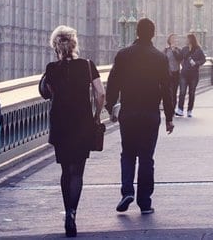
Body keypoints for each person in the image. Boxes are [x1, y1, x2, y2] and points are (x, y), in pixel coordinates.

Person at [106, 18, 176, 216]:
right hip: (150, 114)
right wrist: (169, 117)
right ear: (153, 34)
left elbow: (113, 82)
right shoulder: (159, 58)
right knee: (146, 158)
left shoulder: (123, 54)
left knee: (127, 153)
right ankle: (144, 202)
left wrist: (110, 106)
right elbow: (166, 89)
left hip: (128, 113)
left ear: (136, 32)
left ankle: (127, 191)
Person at [40, 25, 105, 237]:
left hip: (60, 124)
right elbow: (100, 94)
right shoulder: (87, 65)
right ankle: (72, 214)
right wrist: (96, 116)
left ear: (56, 46)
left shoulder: (51, 68)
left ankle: (66, 210)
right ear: (75, 44)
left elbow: (49, 94)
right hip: (82, 123)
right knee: (77, 171)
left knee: (65, 170)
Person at [178, 33, 205, 116]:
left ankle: (189, 110)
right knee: (182, 92)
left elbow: (203, 60)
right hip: (184, 73)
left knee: (191, 93)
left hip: (194, 74)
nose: (186, 40)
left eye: (187, 39)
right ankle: (180, 109)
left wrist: (196, 63)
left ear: (191, 40)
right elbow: (179, 58)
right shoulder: (184, 49)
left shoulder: (198, 50)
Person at [164, 34, 184, 116]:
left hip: (176, 73)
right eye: (172, 39)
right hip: (167, 74)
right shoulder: (165, 50)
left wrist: (174, 50)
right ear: (169, 41)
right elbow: (163, 61)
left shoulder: (179, 50)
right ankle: (168, 109)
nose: (174, 40)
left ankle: (172, 109)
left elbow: (179, 58)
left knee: (174, 92)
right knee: (168, 93)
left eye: (175, 39)